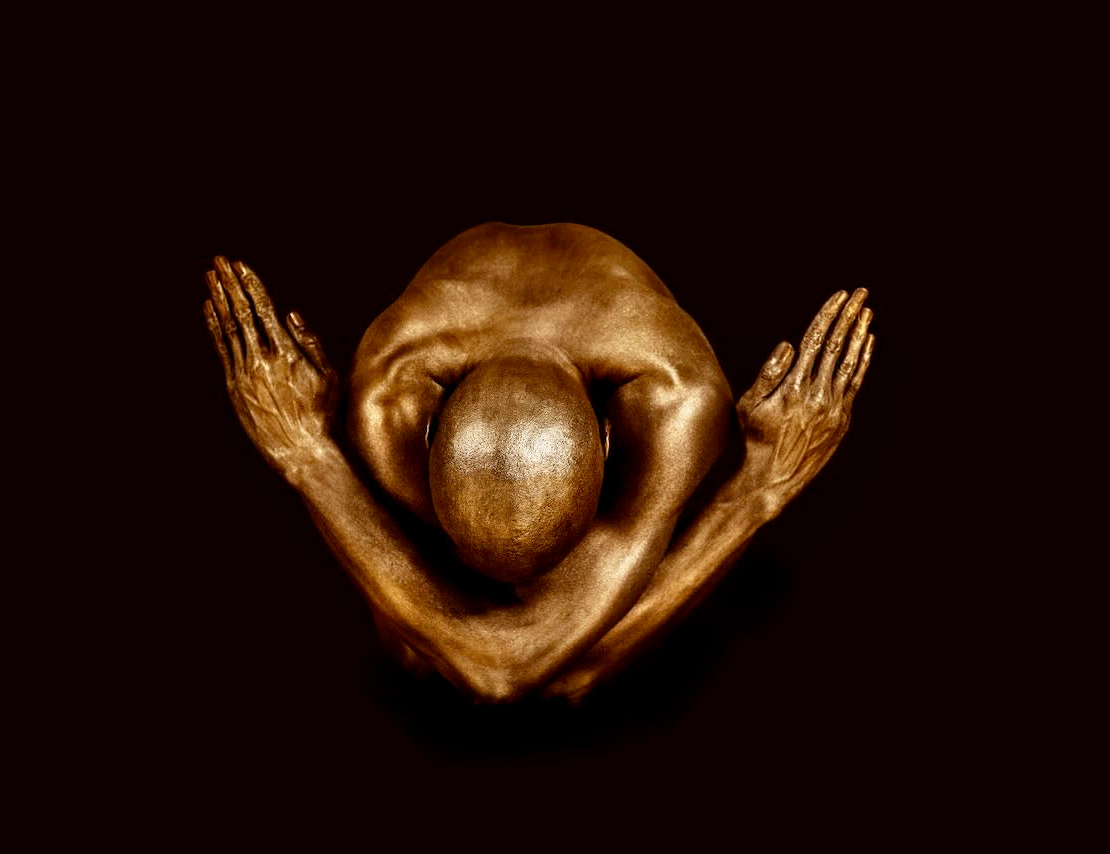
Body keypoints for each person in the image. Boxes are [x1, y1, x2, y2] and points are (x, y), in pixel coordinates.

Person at [202, 222, 873, 703]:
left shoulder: (678, 399)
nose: (531, 593)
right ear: (427, 435)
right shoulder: (388, 400)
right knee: (418, 654)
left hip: (622, 366)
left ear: (612, 442)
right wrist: (308, 452)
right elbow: (503, 666)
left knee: (512, 655)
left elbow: (509, 669)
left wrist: (311, 459)